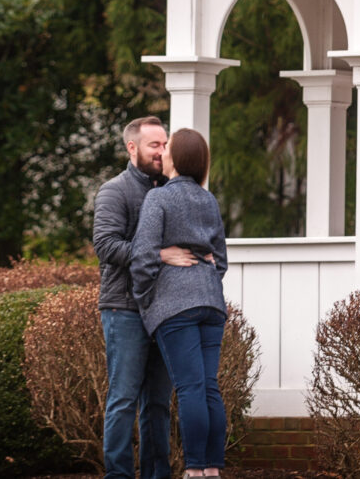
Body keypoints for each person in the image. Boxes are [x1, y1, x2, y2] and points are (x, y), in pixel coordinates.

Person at [93, 116, 205, 479]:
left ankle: (157, 475)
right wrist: (161, 254)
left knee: (157, 403)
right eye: (153, 145)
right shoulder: (115, 190)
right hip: (124, 307)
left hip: (164, 310)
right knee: (123, 399)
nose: (161, 151)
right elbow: (106, 246)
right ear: (132, 148)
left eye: (165, 145)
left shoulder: (173, 190)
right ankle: (119, 474)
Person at [130, 128, 228, 478]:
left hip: (176, 306)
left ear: (176, 157)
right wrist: (203, 279)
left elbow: (142, 257)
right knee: (208, 386)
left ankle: (195, 470)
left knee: (189, 389)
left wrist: (146, 302)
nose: (162, 152)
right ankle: (214, 468)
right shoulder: (208, 200)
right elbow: (221, 260)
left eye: (167, 147)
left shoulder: (158, 199)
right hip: (212, 304)